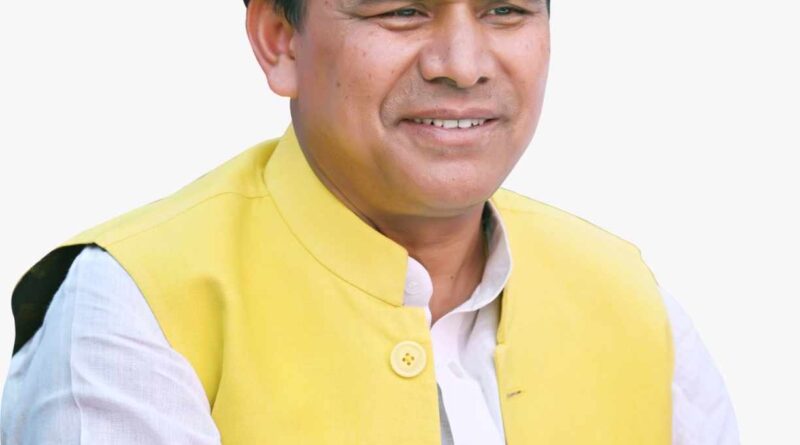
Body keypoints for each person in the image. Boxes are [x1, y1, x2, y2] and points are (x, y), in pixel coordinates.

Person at [1, 0, 739, 443]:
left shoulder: (631, 299)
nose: (463, 64)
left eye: (506, 10)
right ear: (279, 39)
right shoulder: (134, 308)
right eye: (402, 10)